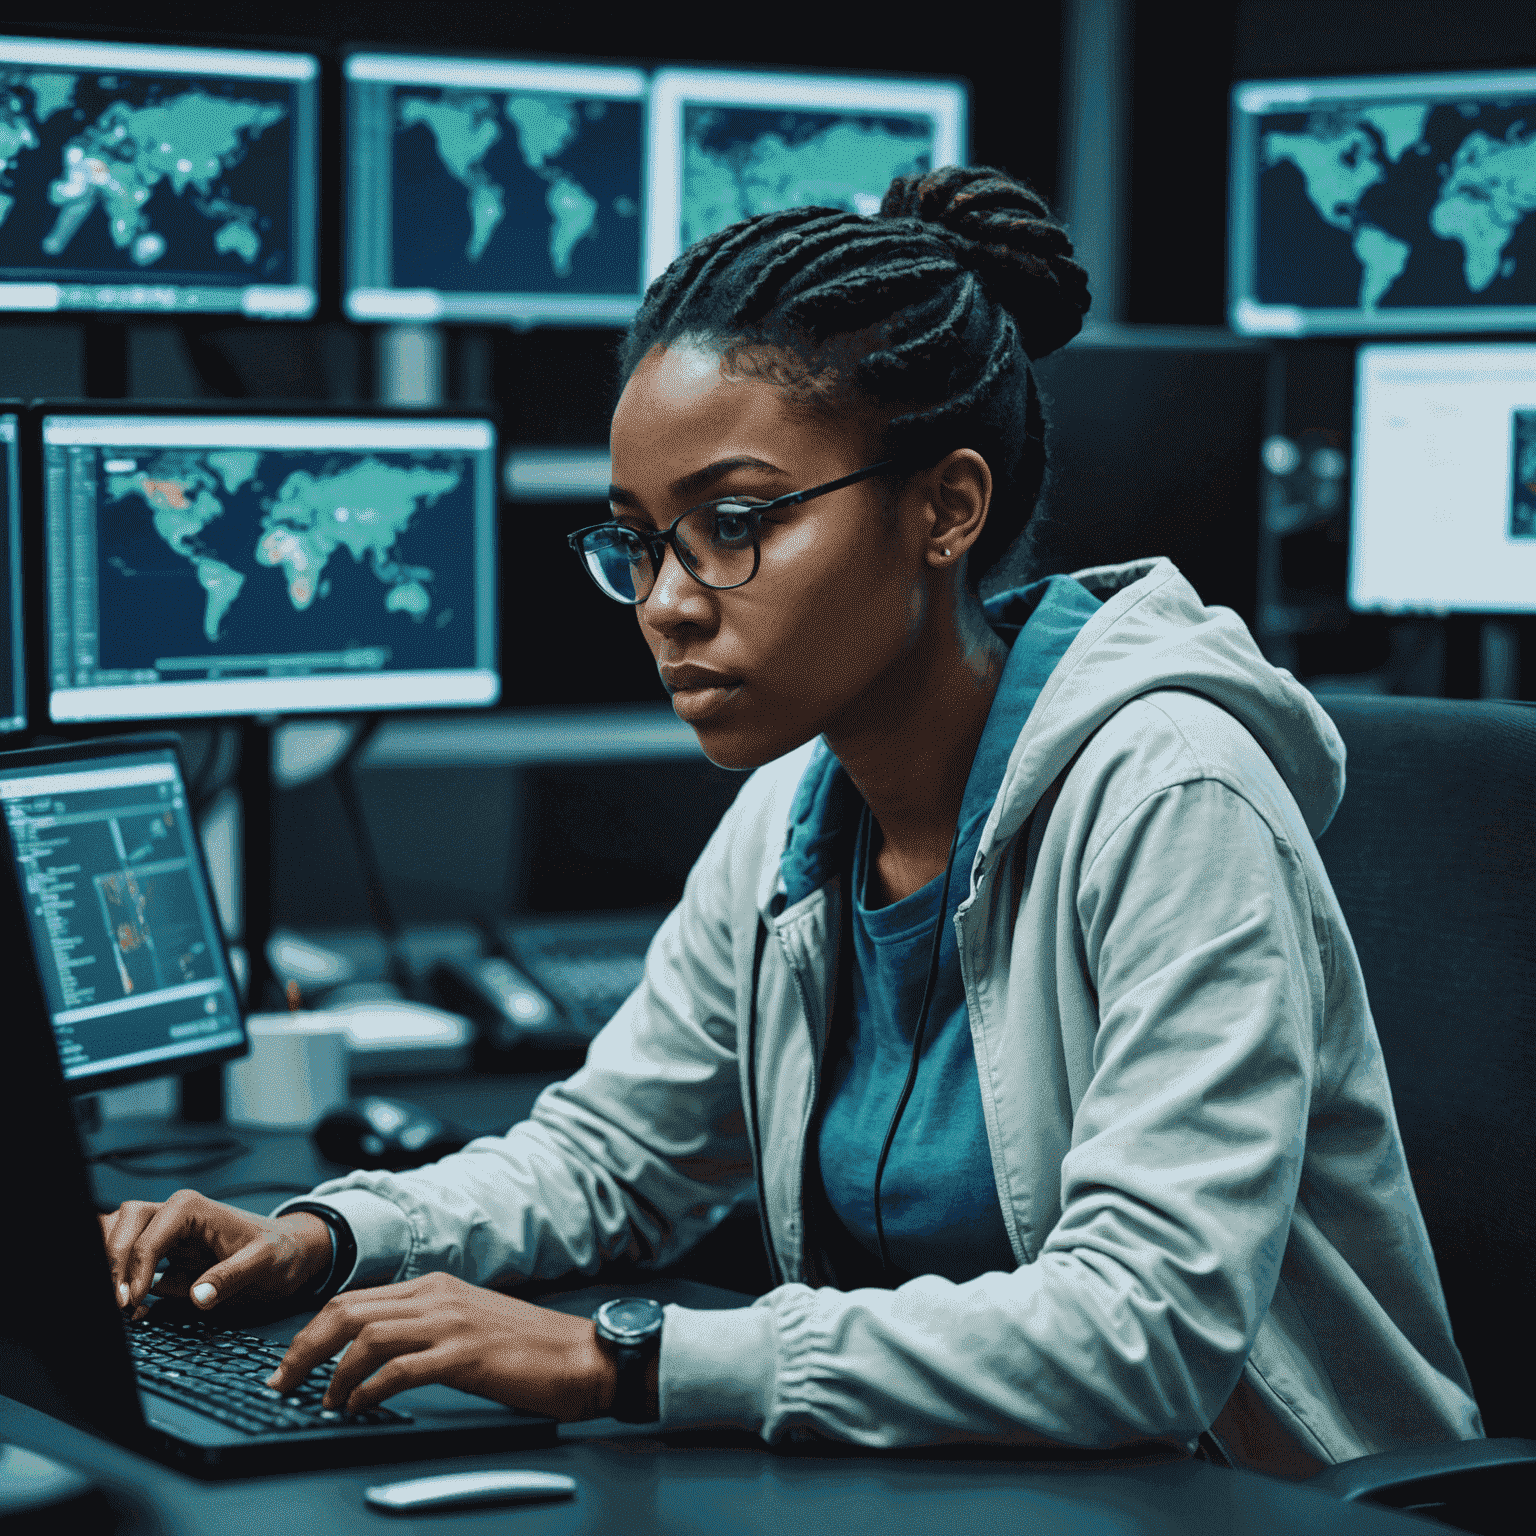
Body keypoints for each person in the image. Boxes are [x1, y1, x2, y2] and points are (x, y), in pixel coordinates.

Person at [100, 165, 1482, 1473]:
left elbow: (1145, 1333)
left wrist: (622, 1358)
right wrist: (332, 1234)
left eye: (737, 521)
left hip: (1252, 1499)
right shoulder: (796, 811)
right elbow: (611, 1158)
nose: (669, 601)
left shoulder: (1170, 795)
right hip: (972, 1486)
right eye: (638, 539)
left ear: (946, 509)